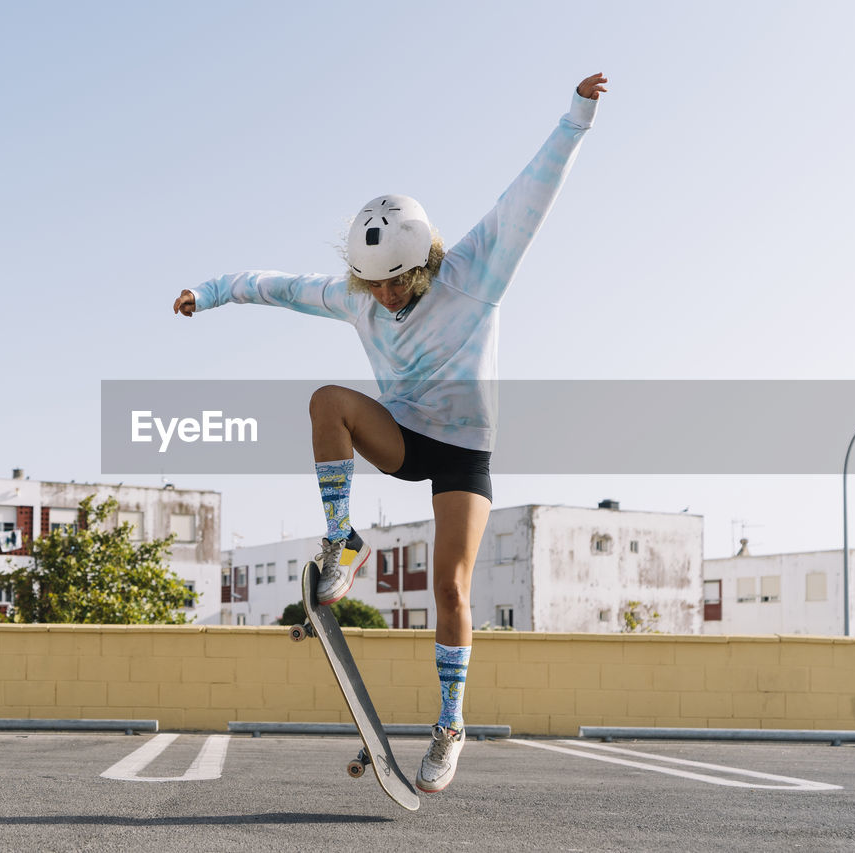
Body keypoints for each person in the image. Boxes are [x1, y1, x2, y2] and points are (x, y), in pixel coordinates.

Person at [173, 73, 608, 793]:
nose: (383, 298)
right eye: (371, 284)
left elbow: (531, 194)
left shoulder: (475, 271)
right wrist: (212, 291)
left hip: (465, 450)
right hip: (404, 435)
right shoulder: (355, 295)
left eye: (395, 284)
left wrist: (577, 115)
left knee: (452, 587)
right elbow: (278, 286)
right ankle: (342, 535)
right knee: (327, 402)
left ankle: (448, 725)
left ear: (424, 263)